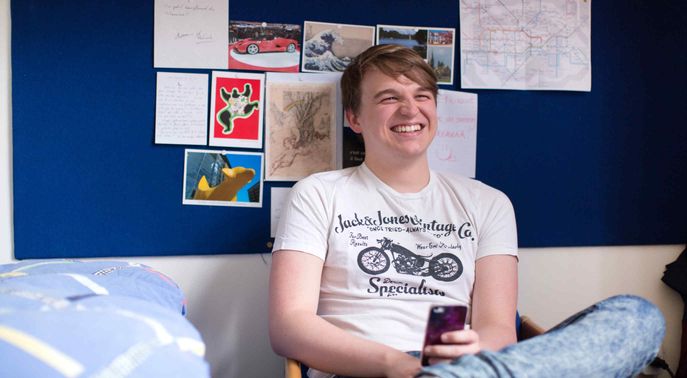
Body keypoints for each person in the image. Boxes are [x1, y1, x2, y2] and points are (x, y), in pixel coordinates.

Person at [269, 44, 665, 378]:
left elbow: (498, 329)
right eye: (390, 98)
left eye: (422, 96)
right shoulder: (319, 194)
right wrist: (397, 365)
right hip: (370, 371)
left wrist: (474, 350)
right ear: (354, 117)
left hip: (471, 368)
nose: (410, 110)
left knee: (638, 317)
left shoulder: (487, 203)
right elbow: (288, 327)